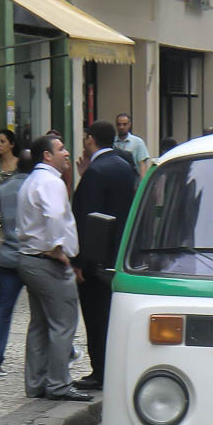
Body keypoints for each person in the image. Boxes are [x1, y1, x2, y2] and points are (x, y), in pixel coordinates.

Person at [18, 134, 92, 402]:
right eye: (60, 149)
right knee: (63, 323)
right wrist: (58, 248)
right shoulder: (51, 182)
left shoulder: (32, 181)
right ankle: (59, 383)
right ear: (47, 156)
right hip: (48, 261)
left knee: (39, 324)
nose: (66, 152)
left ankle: (36, 382)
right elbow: (54, 215)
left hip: (29, 259)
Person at [71, 121, 138, 391]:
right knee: (111, 314)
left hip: (96, 257)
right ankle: (114, 365)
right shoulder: (124, 166)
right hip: (119, 251)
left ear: (89, 139)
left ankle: (100, 370)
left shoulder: (96, 171)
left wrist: (80, 262)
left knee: (96, 316)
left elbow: (86, 217)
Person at [0, 149, 35, 378]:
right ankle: (67, 351)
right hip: (33, 256)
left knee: (2, 309)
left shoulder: (3, 189)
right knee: (46, 309)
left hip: (8, 255)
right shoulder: (37, 188)